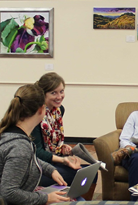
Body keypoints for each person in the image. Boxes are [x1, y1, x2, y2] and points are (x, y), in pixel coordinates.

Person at [0, 84, 71, 205]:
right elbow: (9, 193)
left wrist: (50, 170)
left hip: (2, 198)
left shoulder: (10, 131)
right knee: (72, 199)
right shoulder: (19, 146)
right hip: (5, 201)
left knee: (67, 197)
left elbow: (29, 158)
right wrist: (46, 198)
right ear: (41, 109)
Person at [31, 72, 97, 200]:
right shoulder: (36, 113)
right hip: (37, 167)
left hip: (52, 160)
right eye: (53, 93)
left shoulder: (59, 110)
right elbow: (37, 152)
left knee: (91, 173)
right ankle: (72, 200)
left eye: (61, 91)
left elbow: (52, 139)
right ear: (42, 94)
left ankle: (79, 201)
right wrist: (63, 160)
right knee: (79, 175)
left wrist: (62, 148)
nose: (59, 96)